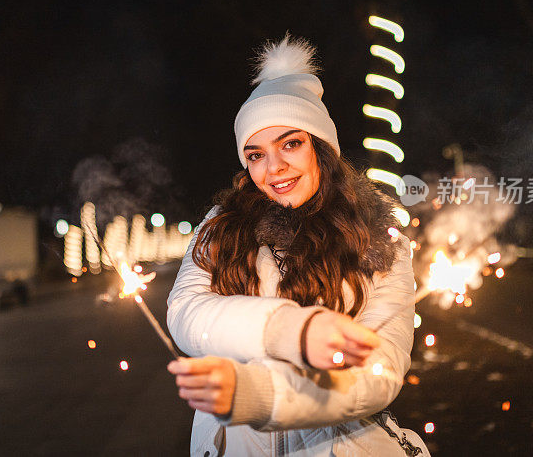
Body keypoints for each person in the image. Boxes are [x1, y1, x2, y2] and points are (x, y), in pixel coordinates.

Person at [166, 35, 429, 456]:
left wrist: (265, 397)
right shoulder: (221, 227)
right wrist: (290, 331)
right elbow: (186, 315)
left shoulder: (379, 232)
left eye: (291, 143)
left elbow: (382, 371)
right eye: (255, 154)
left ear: (321, 147)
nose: (274, 168)